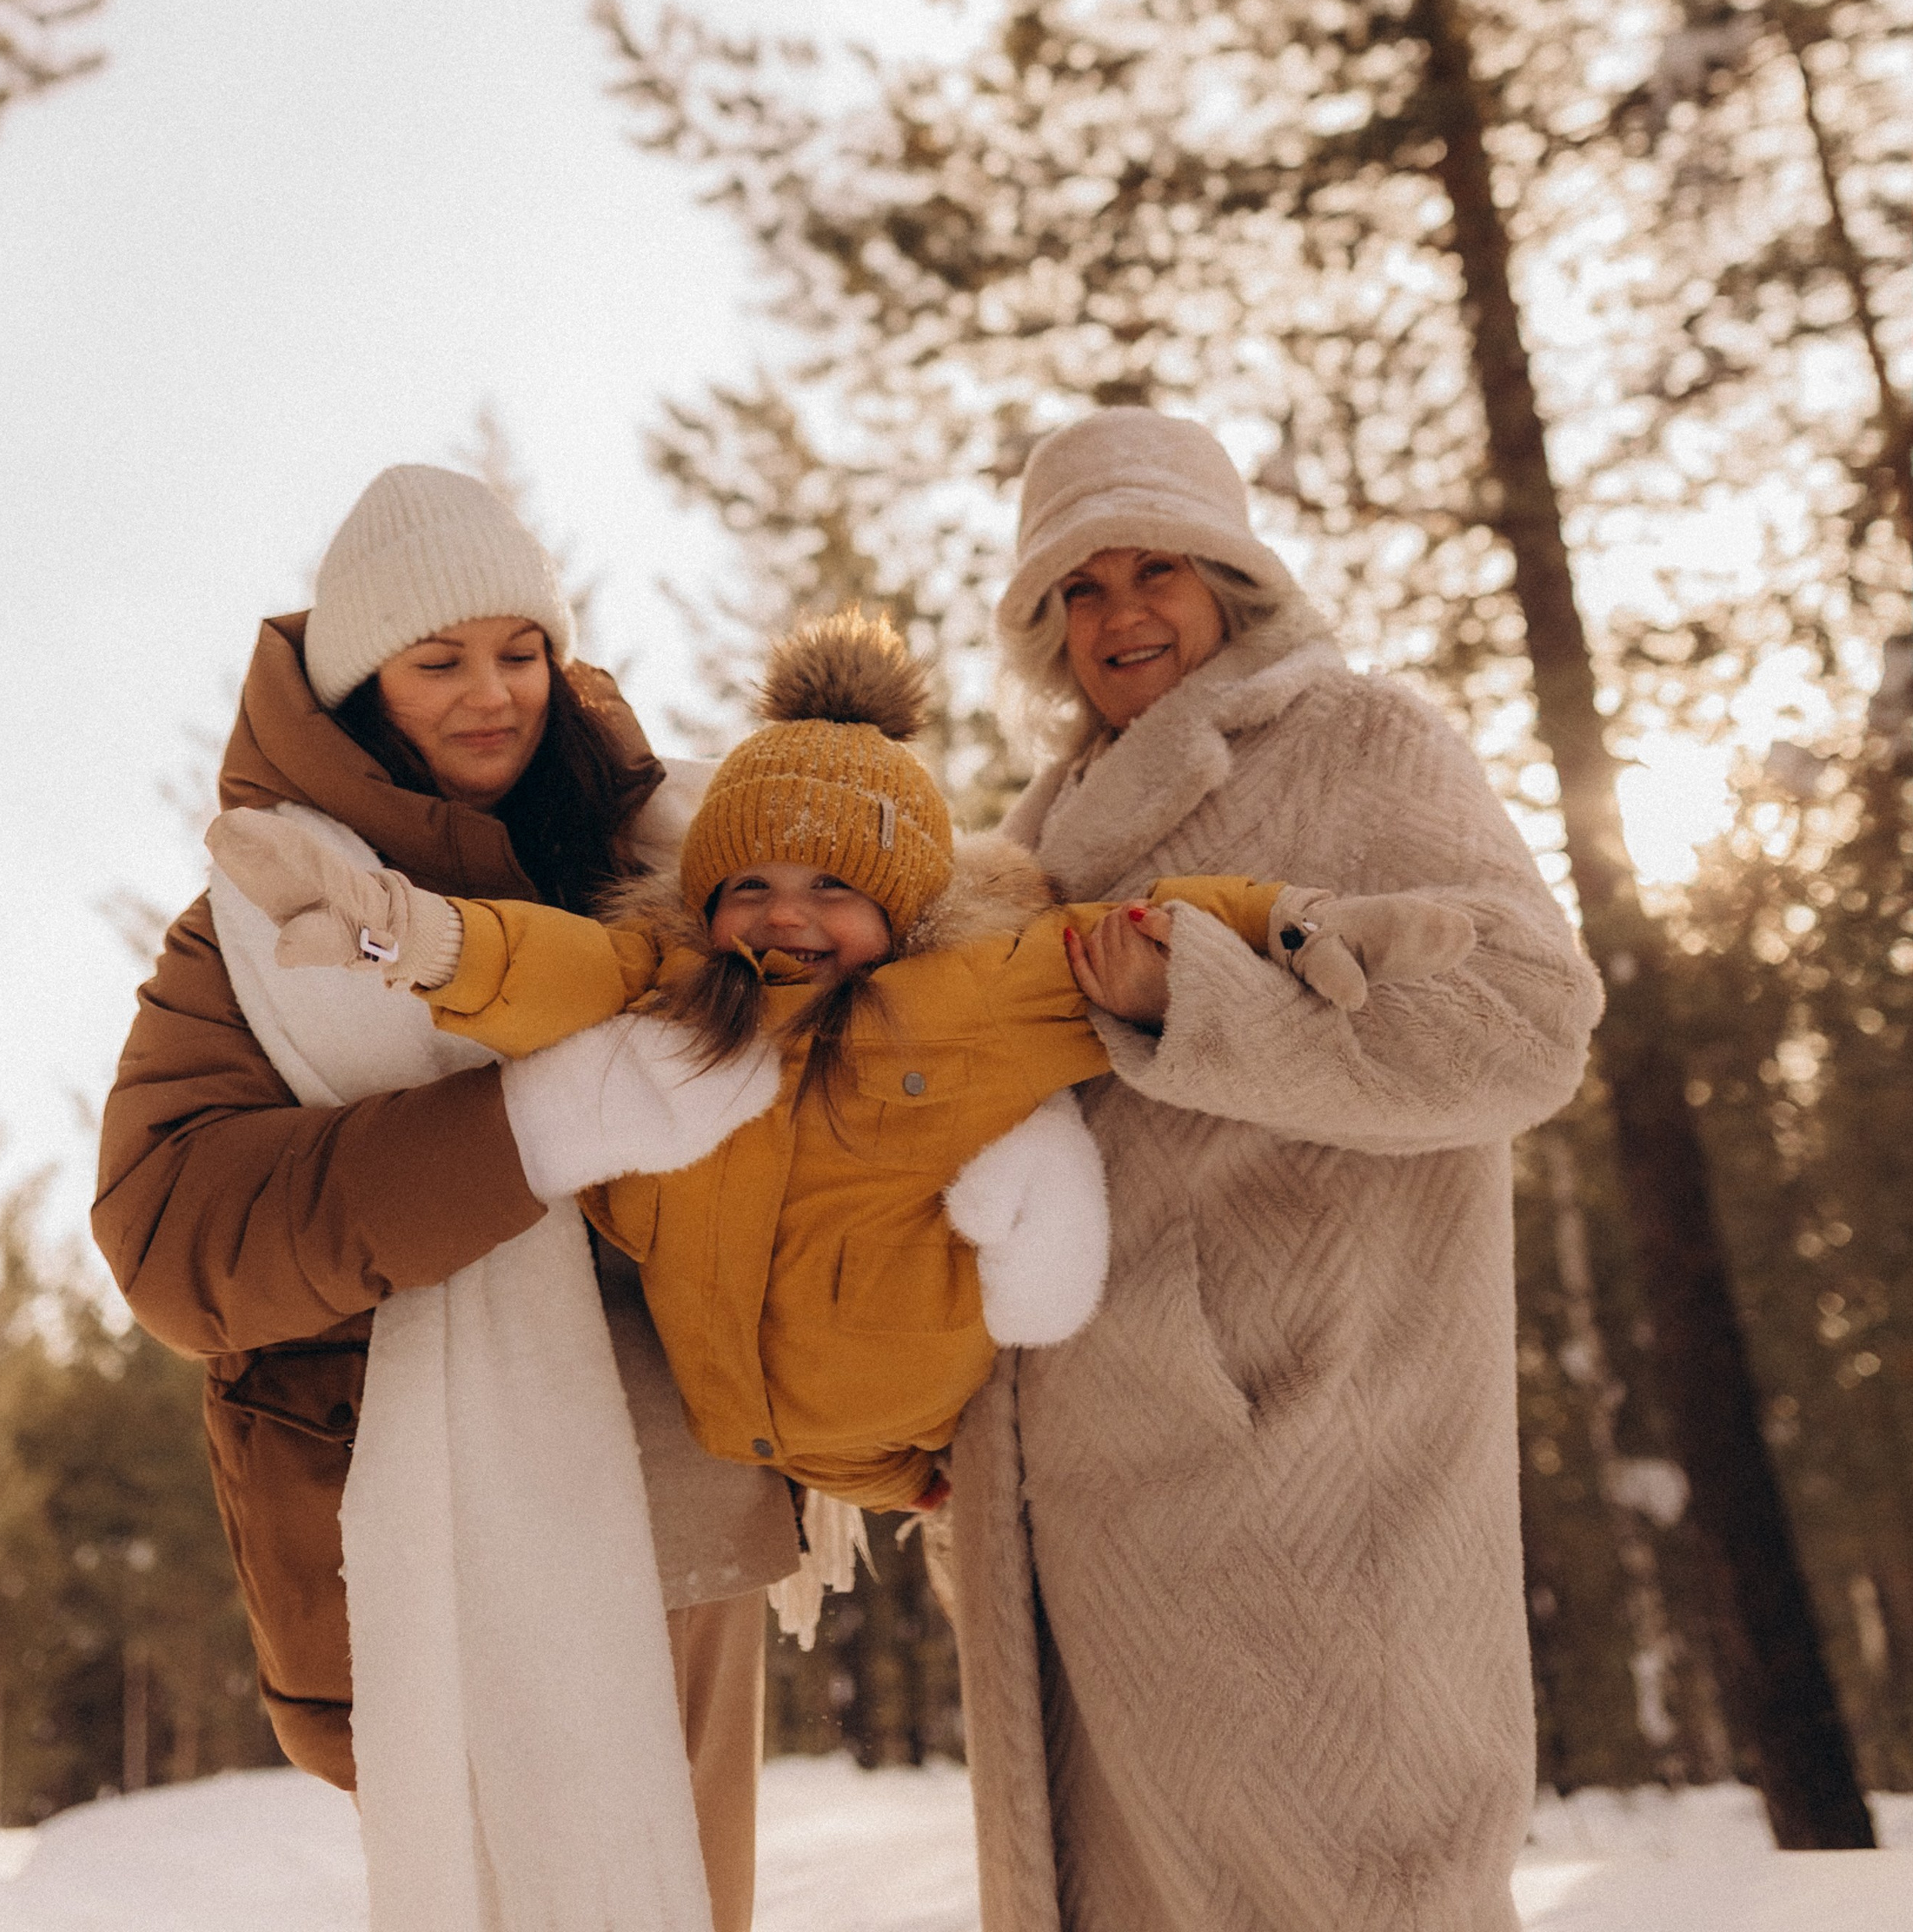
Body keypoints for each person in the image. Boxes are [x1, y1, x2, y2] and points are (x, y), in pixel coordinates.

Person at [208, 609, 1462, 1518]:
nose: (786, 915)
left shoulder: (965, 1001)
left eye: (832, 888)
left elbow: (1134, 927)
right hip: (742, 1428)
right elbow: (545, 967)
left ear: (907, 910)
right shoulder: (676, 994)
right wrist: (403, 932)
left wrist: (1293, 922)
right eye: (748, 885)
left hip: (907, 1435)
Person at [93, 464, 797, 1932]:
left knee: (694, 1897)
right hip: (430, 1504)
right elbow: (168, 1236)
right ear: (362, 688)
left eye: (521, 651)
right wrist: (521, 1131)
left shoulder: (663, 857)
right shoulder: (257, 925)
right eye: (439, 662)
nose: (495, 694)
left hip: (690, 1464)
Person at [945, 408, 1605, 1932]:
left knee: (1361, 1880)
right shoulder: (1029, 837)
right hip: (1083, 1500)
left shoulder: (1354, 739)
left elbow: (1524, 1027)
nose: (1120, 617)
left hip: (1307, 1447)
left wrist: (1204, 998)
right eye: (1079, 590)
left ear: (1230, 583)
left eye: (1153, 572)